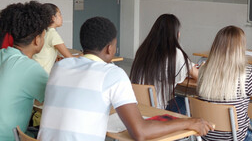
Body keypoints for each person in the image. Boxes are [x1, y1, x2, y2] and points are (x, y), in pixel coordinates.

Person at [38, 16, 213, 140]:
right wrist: (189, 122)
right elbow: (140, 132)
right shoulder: (112, 74)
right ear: (109, 49)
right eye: (115, 46)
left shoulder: (60, 67)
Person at [0, 1, 51, 141]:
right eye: (43, 36)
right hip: (6, 138)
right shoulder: (29, 68)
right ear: (37, 40)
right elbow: (54, 100)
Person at [130, 14, 198, 115]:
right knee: (188, 101)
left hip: (137, 108)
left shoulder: (143, 50)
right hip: (157, 110)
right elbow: (198, 75)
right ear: (177, 34)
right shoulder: (174, 53)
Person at [33, 3, 73, 74]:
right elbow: (70, 58)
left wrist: (55, 56)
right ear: (53, 18)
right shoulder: (52, 34)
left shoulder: (41, 31)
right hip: (43, 75)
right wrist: (83, 55)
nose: (61, 17)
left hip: (34, 71)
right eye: (59, 14)